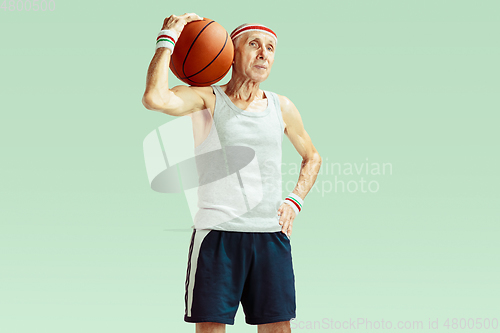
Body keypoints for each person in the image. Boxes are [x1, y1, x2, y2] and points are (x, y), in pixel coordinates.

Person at [142, 13, 322, 333]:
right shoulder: (207, 98)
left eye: (270, 48)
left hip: (270, 237)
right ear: (231, 52)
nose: (264, 53)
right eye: (254, 45)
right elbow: (154, 98)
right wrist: (167, 38)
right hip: (217, 236)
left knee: (278, 329)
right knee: (210, 329)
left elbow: (312, 157)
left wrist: (295, 200)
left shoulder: (283, 107)